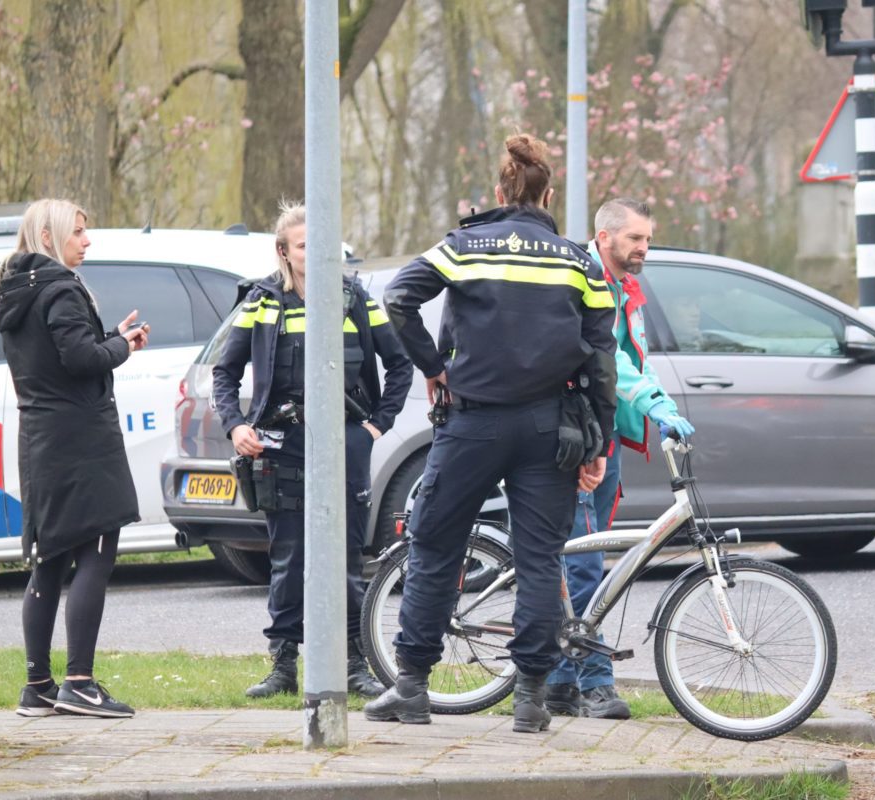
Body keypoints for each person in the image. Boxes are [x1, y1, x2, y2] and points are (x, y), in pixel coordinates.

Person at [365, 133, 618, 733]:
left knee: (433, 547)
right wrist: (600, 441)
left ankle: (412, 688)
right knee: (538, 559)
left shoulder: (464, 246)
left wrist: (433, 367)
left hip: (472, 421)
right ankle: (530, 699)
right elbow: (602, 356)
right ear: (547, 192)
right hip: (549, 426)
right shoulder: (578, 260)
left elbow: (399, 298)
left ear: (500, 191)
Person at [213, 201, 412, 699]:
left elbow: (400, 365)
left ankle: (353, 664)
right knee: (288, 558)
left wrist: (374, 426)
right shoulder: (262, 302)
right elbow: (224, 372)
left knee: (346, 558)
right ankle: (283, 667)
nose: (315, 254)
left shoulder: (354, 297)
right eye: (305, 246)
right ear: (284, 252)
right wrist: (236, 426)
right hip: (282, 447)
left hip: (346, 443)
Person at [0, 198, 149, 719]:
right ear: (46, 234)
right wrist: (122, 346)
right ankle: (79, 682)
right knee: (97, 554)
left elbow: (60, 358)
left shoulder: (12, 289)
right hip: (82, 440)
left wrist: (110, 338)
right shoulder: (60, 288)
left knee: (50, 558)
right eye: (79, 232)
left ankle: (37, 685)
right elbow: (81, 361)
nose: (87, 241)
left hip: (40, 438)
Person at [543, 199, 695, 721]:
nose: (643, 249)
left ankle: (560, 682)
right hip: (581, 438)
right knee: (583, 563)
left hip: (604, 435)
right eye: (635, 239)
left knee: (582, 558)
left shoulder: (626, 286)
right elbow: (605, 359)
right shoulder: (584, 281)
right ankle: (595, 684)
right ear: (603, 236)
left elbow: (632, 360)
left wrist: (656, 402)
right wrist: (651, 403)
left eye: (647, 239)